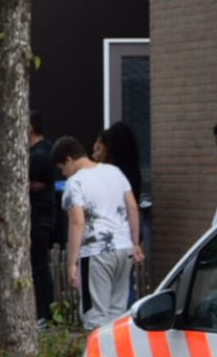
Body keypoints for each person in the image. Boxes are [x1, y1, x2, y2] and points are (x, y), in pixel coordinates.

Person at [53, 136, 142, 330]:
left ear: (69, 160)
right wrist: (135, 243)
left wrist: (72, 262)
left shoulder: (74, 183)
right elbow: (133, 208)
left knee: (95, 316)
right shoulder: (115, 171)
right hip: (124, 248)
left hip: (95, 253)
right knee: (117, 314)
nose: (64, 175)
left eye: (62, 169)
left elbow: (77, 222)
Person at [94, 121, 144, 302]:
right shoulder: (132, 171)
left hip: (114, 232)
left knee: (115, 284)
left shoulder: (112, 174)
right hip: (129, 230)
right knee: (125, 281)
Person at [27, 110, 57, 322]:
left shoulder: (38, 155)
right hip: (43, 214)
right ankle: (44, 311)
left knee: (39, 266)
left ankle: (44, 313)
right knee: (39, 265)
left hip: (38, 216)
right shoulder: (47, 149)